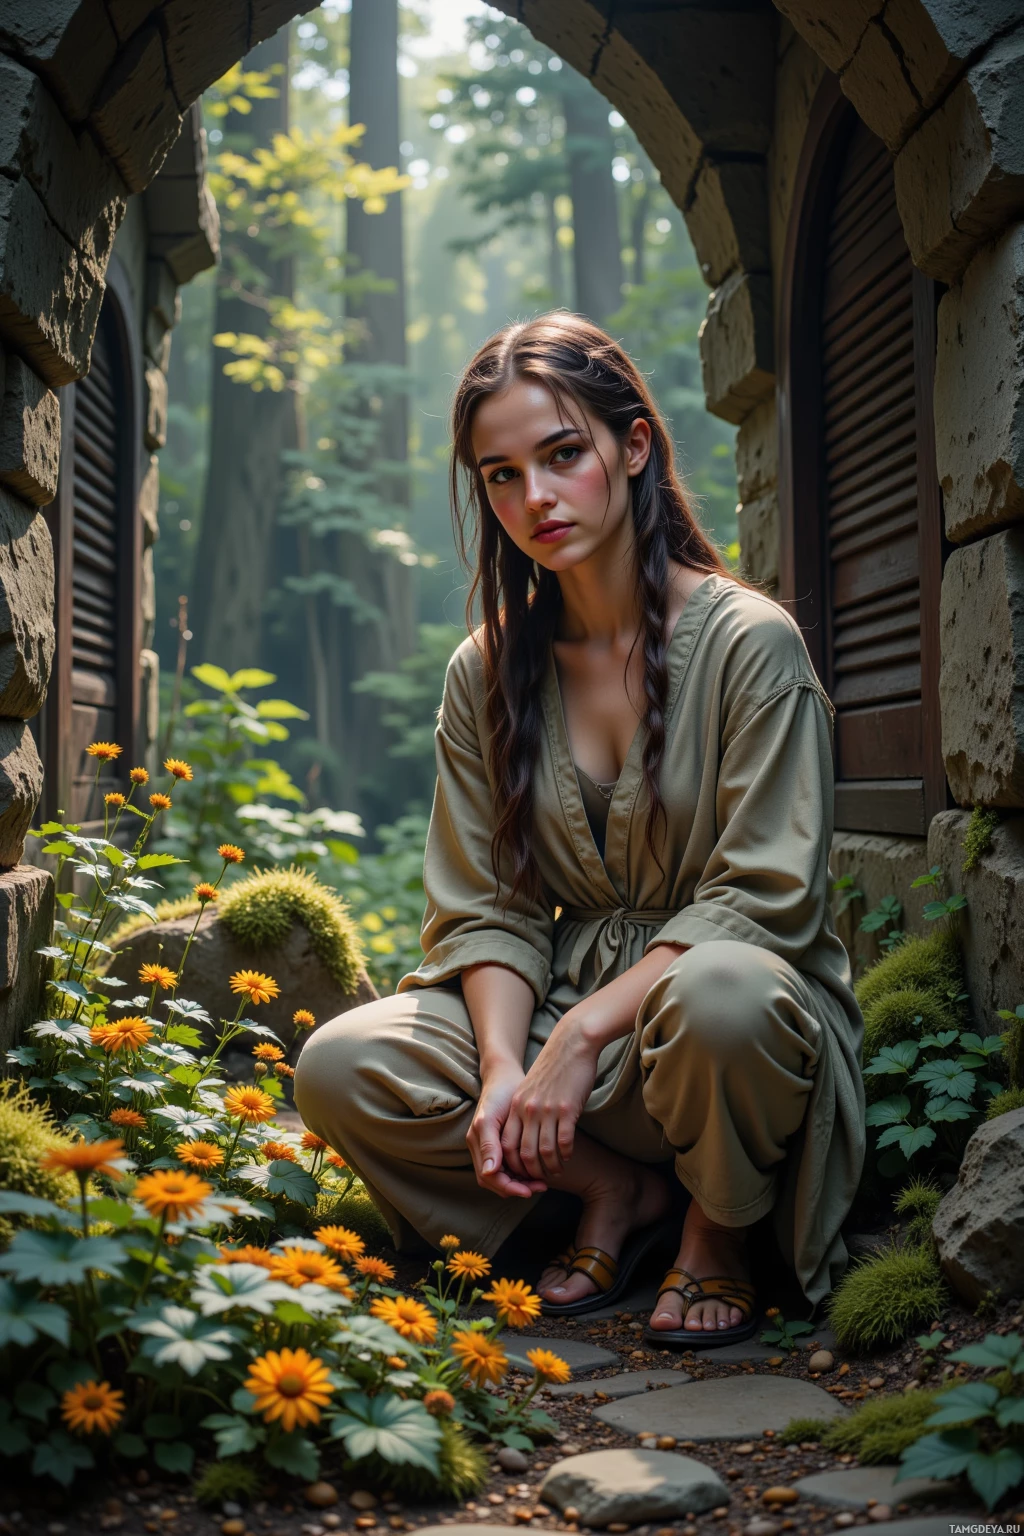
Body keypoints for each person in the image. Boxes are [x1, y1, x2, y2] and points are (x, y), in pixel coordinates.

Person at [294, 312, 865, 1345]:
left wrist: (588, 1032)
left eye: (562, 454)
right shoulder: (488, 669)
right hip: (565, 1027)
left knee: (720, 994)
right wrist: (512, 1066)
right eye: (500, 475)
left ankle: (718, 1226)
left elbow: (762, 897)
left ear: (633, 446)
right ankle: (610, 1194)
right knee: (342, 1064)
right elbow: (486, 909)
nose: (535, 498)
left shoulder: (750, 644)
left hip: (726, 1032)